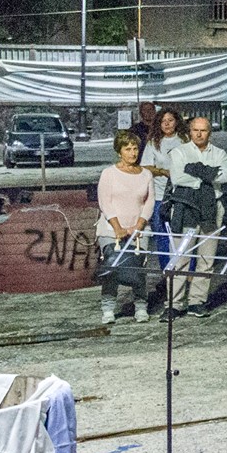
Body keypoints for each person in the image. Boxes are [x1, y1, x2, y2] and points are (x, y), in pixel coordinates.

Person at [166, 115, 227, 316]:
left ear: (209, 133)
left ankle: (197, 301)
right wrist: (207, 177)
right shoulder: (179, 152)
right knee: (180, 257)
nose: (199, 134)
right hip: (186, 208)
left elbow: (226, 176)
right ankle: (174, 304)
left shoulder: (219, 153)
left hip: (212, 208)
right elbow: (177, 177)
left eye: (203, 130)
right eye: (196, 130)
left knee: (206, 257)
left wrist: (195, 173)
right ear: (189, 132)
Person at [96, 131, 155, 325]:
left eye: (135, 148)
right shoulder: (109, 173)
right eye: (127, 149)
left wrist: (139, 226)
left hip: (138, 230)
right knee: (112, 269)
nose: (132, 153)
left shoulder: (145, 174)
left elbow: (149, 202)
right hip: (111, 230)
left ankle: (141, 307)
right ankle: (108, 309)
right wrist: (118, 228)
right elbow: (105, 202)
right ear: (119, 151)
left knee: (137, 270)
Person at [143, 106, 184, 270]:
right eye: (163, 121)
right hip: (161, 196)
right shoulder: (154, 143)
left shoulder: (185, 140)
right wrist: (161, 171)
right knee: (162, 236)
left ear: (176, 122)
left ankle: (185, 272)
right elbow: (145, 167)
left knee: (182, 236)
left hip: (182, 195)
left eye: (170, 120)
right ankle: (167, 272)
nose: (167, 124)